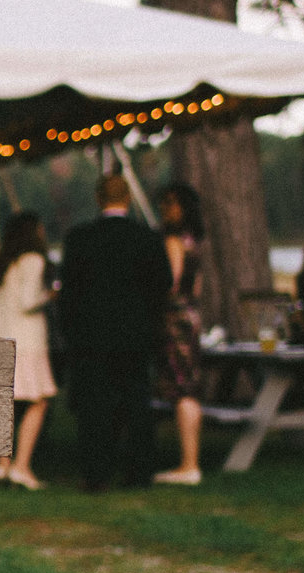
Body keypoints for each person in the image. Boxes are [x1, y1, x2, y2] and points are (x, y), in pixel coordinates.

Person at [58, 173, 170, 493]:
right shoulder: (147, 238)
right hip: (135, 335)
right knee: (137, 402)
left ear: (98, 199)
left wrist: (71, 331)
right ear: (129, 199)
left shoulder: (79, 238)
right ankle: (139, 472)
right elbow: (162, 285)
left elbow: (69, 291)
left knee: (94, 405)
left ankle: (96, 474)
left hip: (92, 336)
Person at [0, 212, 57, 489]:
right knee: (37, 402)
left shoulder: (2, 261)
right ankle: (22, 466)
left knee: (4, 405)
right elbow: (28, 301)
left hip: (0, 338)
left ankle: (2, 465)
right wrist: (51, 294)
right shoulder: (33, 259)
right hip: (28, 341)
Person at [152, 183, 207, 486]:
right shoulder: (194, 240)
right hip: (191, 313)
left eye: (171, 202)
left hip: (174, 317)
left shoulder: (173, 239)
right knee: (189, 385)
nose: (165, 208)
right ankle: (190, 460)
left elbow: (170, 281)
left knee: (182, 387)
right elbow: (195, 285)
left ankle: (189, 463)